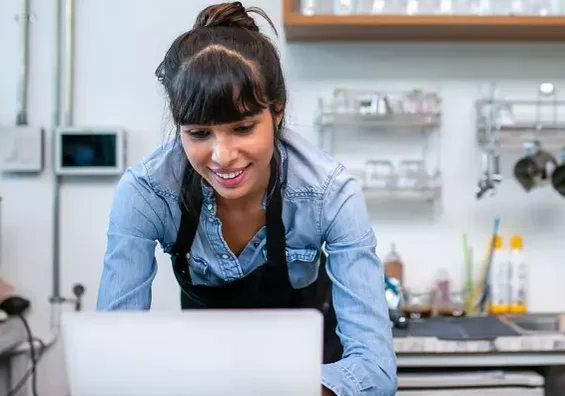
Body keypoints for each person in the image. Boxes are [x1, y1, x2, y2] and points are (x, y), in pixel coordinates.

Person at [96, 2, 398, 395]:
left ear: (277, 112)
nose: (222, 156)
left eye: (242, 128)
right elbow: (114, 357)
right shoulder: (147, 193)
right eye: (199, 133)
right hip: (203, 380)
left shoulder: (330, 194)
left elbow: (375, 371)